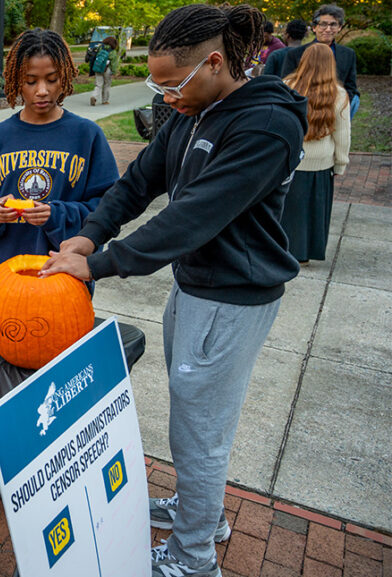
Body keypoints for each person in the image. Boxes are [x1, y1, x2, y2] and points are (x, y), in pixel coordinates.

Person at [39, 5, 306, 576]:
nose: (162, 97)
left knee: (200, 431)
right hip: (197, 285)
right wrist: (88, 237)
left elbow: (192, 216)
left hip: (233, 296)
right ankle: (200, 514)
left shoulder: (266, 126)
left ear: (214, 63)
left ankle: (193, 558)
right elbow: (139, 182)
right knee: (195, 418)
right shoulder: (193, 109)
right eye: (155, 85)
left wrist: (104, 265)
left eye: (168, 83)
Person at [0, 28, 118, 290]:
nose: (42, 91)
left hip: (61, 280)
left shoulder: (86, 136)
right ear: (16, 80)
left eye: (51, 79)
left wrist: (56, 214)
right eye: (31, 81)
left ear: (64, 77)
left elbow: (107, 208)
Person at [280, 43, 351, 263]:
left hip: (289, 160)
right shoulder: (338, 94)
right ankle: (304, 253)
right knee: (314, 211)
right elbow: (342, 134)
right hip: (320, 163)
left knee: (286, 209)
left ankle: (283, 248)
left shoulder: (286, 85)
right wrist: (340, 163)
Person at [278, 5, 359, 118]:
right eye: (323, 24)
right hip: (304, 109)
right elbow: (287, 85)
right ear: (314, 27)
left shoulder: (348, 54)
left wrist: (341, 106)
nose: (328, 29)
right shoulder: (295, 54)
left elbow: (350, 86)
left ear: (339, 27)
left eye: (333, 25)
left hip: (337, 109)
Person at [90, 36, 120, 106]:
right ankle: (105, 100)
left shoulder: (100, 48)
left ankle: (94, 96)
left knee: (98, 84)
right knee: (107, 84)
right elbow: (114, 63)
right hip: (107, 69)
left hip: (98, 67)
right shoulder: (113, 51)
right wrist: (115, 72)